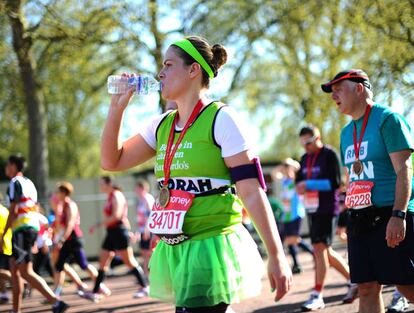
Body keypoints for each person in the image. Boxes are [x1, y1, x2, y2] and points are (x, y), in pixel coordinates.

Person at [100, 35, 292, 312]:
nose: (160, 73)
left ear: (193, 70)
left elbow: (251, 190)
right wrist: (116, 109)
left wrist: (276, 254)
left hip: (210, 244)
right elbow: (111, 160)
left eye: (168, 64)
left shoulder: (221, 118)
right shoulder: (162, 125)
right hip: (175, 246)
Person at [322, 69, 414, 313]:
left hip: (390, 215)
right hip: (359, 219)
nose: (334, 96)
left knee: (407, 287)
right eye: (332, 92)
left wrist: (399, 215)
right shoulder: (345, 133)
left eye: (339, 89)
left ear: (359, 88)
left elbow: (405, 170)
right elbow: (351, 179)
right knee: (366, 287)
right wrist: (345, 216)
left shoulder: (388, 119)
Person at [295, 125, 357, 311]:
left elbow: (337, 182)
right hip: (311, 209)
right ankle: (354, 280)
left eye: (308, 141)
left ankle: (317, 294)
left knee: (319, 249)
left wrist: (309, 183)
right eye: (302, 142)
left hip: (327, 209)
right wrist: (299, 185)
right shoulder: (304, 158)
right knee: (325, 251)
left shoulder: (329, 154)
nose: (305, 146)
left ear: (317, 137)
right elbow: (299, 181)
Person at [0, 155, 68, 313]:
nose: (5, 168)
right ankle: (16, 310)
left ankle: (55, 302)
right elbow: (34, 207)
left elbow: (14, 209)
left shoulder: (14, 182)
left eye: (7, 165)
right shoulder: (29, 183)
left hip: (22, 230)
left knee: (25, 271)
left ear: (13, 166)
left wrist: (4, 233)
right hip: (28, 229)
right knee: (15, 269)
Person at [87, 176, 148, 302]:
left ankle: (145, 286)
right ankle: (96, 290)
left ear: (110, 184)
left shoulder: (117, 195)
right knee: (103, 261)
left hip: (119, 232)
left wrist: (98, 224)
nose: (100, 186)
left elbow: (117, 216)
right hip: (111, 232)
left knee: (129, 261)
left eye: (102, 184)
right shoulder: (110, 196)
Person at [53, 182, 108, 298]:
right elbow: (59, 224)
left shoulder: (70, 205)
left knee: (83, 265)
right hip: (67, 240)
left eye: (58, 192)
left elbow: (70, 224)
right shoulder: (62, 206)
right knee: (59, 265)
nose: (56, 194)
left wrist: (62, 240)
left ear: (64, 193)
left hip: (74, 239)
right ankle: (55, 293)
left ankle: (100, 285)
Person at [273, 158, 314, 274]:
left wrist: (289, 164)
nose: (286, 170)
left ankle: (314, 254)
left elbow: (297, 168)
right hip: (286, 215)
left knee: (294, 239)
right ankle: (296, 264)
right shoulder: (285, 181)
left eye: (287, 168)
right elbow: (274, 174)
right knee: (289, 240)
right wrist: (282, 165)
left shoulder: (296, 180)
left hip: (295, 213)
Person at [134, 179, 155, 276]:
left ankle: (155, 274)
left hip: (149, 230)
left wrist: (147, 230)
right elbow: (140, 218)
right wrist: (138, 232)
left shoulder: (148, 198)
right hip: (143, 230)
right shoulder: (140, 200)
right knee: (144, 253)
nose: (135, 190)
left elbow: (151, 215)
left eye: (137, 188)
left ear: (142, 188)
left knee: (150, 252)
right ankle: (146, 275)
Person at [0, 200, 12, 304]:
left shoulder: (1, 211)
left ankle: (20, 281)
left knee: (1, 271)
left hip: (2, 245)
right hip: (6, 244)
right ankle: (4, 294)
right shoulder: (4, 210)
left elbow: (1, 231)